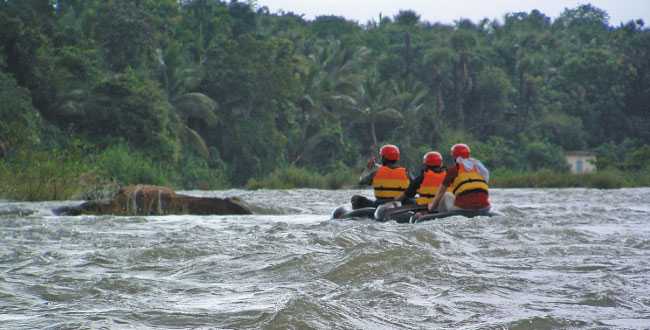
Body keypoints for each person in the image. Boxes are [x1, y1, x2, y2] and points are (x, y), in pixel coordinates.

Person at [427, 143, 490, 213]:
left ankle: (438, 215)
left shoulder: (453, 170)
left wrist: (431, 208)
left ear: (454, 157)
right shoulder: (479, 169)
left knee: (446, 195)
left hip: (464, 208)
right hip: (485, 207)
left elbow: (440, 193)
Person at [351, 144, 410, 209]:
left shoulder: (375, 174)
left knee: (355, 198)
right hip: (401, 203)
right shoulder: (406, 173)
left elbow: (361, 181)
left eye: (382, 156)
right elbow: (415, 188)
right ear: (397, 158)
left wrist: (368, 169)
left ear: (384, 158)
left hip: (379, 204)